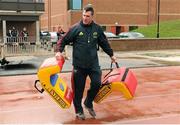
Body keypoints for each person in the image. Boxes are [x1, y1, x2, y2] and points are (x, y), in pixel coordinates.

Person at [55, 4, 116, 120]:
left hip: (93, 65)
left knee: (97, 83)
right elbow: (63, 40)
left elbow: (104, 42)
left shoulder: (97, 29)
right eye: (83, 15)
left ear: (92, 17)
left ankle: (88, 102)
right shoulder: (75, 28)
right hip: (79, 66)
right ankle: (79, 110)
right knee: (78, 90)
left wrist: (111, 55)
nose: (85, 18)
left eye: (87, 16)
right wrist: (58, 51)